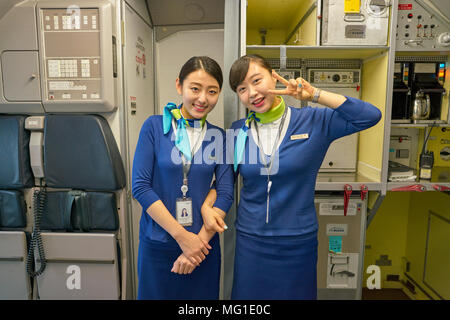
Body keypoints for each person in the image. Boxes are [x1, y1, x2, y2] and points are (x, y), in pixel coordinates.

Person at [201, 54, 382, 299]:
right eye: (242, 89)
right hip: (251, 242)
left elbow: (369, 115)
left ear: (273, 77)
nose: (252, 93)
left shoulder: (313, 121)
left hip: (297, 242)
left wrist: (315, 94)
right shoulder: (238, 130)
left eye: (257, 81)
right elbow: (225, 180)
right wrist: (208, 205)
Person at [132, 56, 234, 300]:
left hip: (203, 248)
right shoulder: (155, 127)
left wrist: (196, 246)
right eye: (195, 89)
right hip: (159, 243)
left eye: (212, 91)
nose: (202, 99)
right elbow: (141, 188)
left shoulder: (220, 137)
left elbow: (226, 190)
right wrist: (182, 237)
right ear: (179, 86)